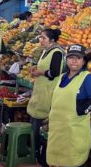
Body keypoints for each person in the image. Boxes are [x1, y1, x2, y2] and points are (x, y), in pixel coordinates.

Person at [27, 29, 64, 158]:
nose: (41, 40)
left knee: (41, 122)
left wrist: (40, 72)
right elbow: (43, 67)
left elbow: (54, 73)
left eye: (43, 38)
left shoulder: (57, 52)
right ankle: (33, 148)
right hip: (40, 90)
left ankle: (39, 151)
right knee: (35, 121)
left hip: (49, 91)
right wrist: (35, 69)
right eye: (40, 37)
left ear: (52, 40)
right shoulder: (45, 51)